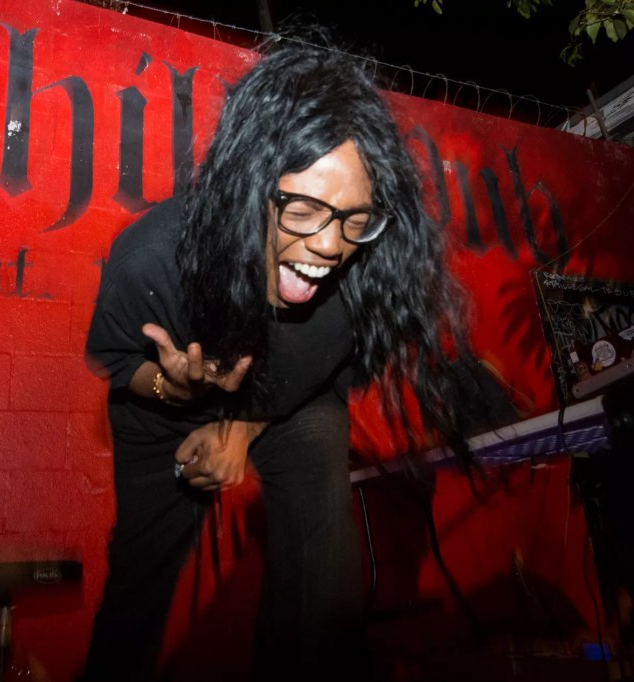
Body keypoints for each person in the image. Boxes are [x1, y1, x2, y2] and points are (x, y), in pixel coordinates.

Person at [81, 33, 475, 681]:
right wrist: (172, 390)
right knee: (138, 582)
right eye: (304, 208)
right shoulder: (151, 260)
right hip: (163, 405)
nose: (329, 246)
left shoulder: (360, 276)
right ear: (248, 187)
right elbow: (120, 361)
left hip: (290, 392)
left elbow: (325, 366)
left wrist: (243, 426)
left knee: (324, 560)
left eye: (354, 218)